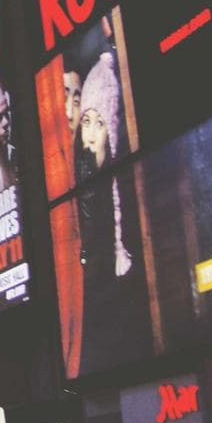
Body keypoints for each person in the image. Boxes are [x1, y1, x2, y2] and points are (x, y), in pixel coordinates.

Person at [74, 52, 150, 372]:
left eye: (100, 123)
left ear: (113, 130)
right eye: (86, 121)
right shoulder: (79, 187)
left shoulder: (130, 192)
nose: (90, 135)